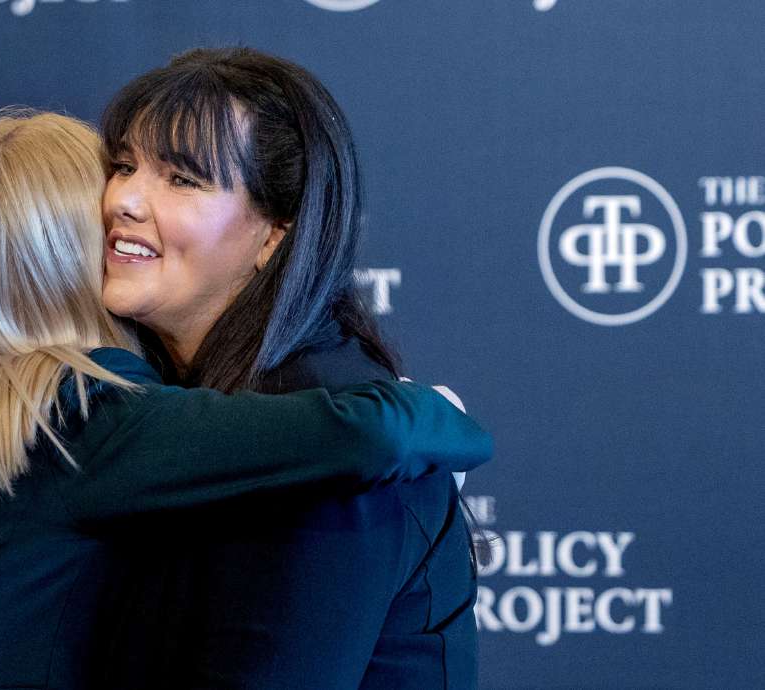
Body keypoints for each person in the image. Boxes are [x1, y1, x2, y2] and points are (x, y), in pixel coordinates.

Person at [0, 109, 490, 689]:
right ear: (80, 252)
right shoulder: (73, 411)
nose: (134, 213)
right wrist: (431, 411)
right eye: (117, 203)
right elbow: (367, 436)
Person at [93, 47, 487, 688]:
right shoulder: (171, 405)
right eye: (125, 166)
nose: (125, 200)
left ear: (274, 235)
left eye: (182, 179)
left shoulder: (325, 451)